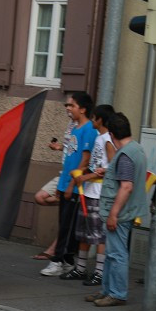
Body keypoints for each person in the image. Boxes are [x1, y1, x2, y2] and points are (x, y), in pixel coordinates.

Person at [86, 112, 149, 306]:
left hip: (120, 213)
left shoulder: (124, 155)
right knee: (112, 253)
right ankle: (107, 290)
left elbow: (126, 186)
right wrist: (110, 170)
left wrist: (113, 214)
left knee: (117, 254)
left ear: (111, 134)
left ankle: (117, 293)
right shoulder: (136, 149)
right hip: (126, 211)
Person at [41, 91, 97, 276]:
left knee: (68, 225)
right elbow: (69, 158)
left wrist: (72, 184)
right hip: (66, 182)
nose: (68, 108)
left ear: (82, 109)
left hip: (75, 185)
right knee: (64, 223)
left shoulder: (89, 129)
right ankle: (66, 261)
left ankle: (58, 260)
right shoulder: (74, 128)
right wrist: (62, 184)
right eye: (67, 105)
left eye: (71, 105)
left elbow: (85, 160)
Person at [60, 103, 115, 285]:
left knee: (99, 234)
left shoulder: (108, 139)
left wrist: (87, 176)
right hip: (89, 191)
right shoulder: (99, 138)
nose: (92, 120)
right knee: (84, 232)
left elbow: (111, 167)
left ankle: (99, 272)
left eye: (94, 118)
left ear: (100, 120)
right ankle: (81, 268)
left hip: (99, 193)